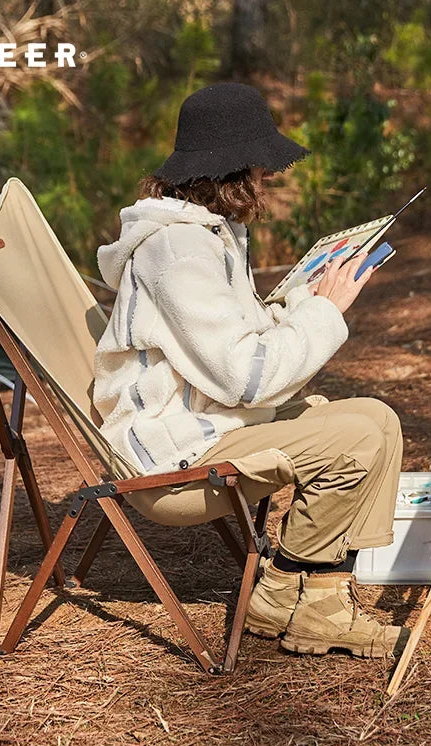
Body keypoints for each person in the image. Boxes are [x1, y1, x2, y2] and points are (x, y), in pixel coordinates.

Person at [92, 82, 409, 659]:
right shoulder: (179, 252)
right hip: (175, 461)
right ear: (233, 172)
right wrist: (323, 310)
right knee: (360, 433)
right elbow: (247, 378)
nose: (266, 180)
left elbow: (228, 345)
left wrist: (295, 302)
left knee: (375, 419)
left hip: (210, 428)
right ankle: (307, 602)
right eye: (260, 169)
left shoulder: (206, 239)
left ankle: (297, 592)